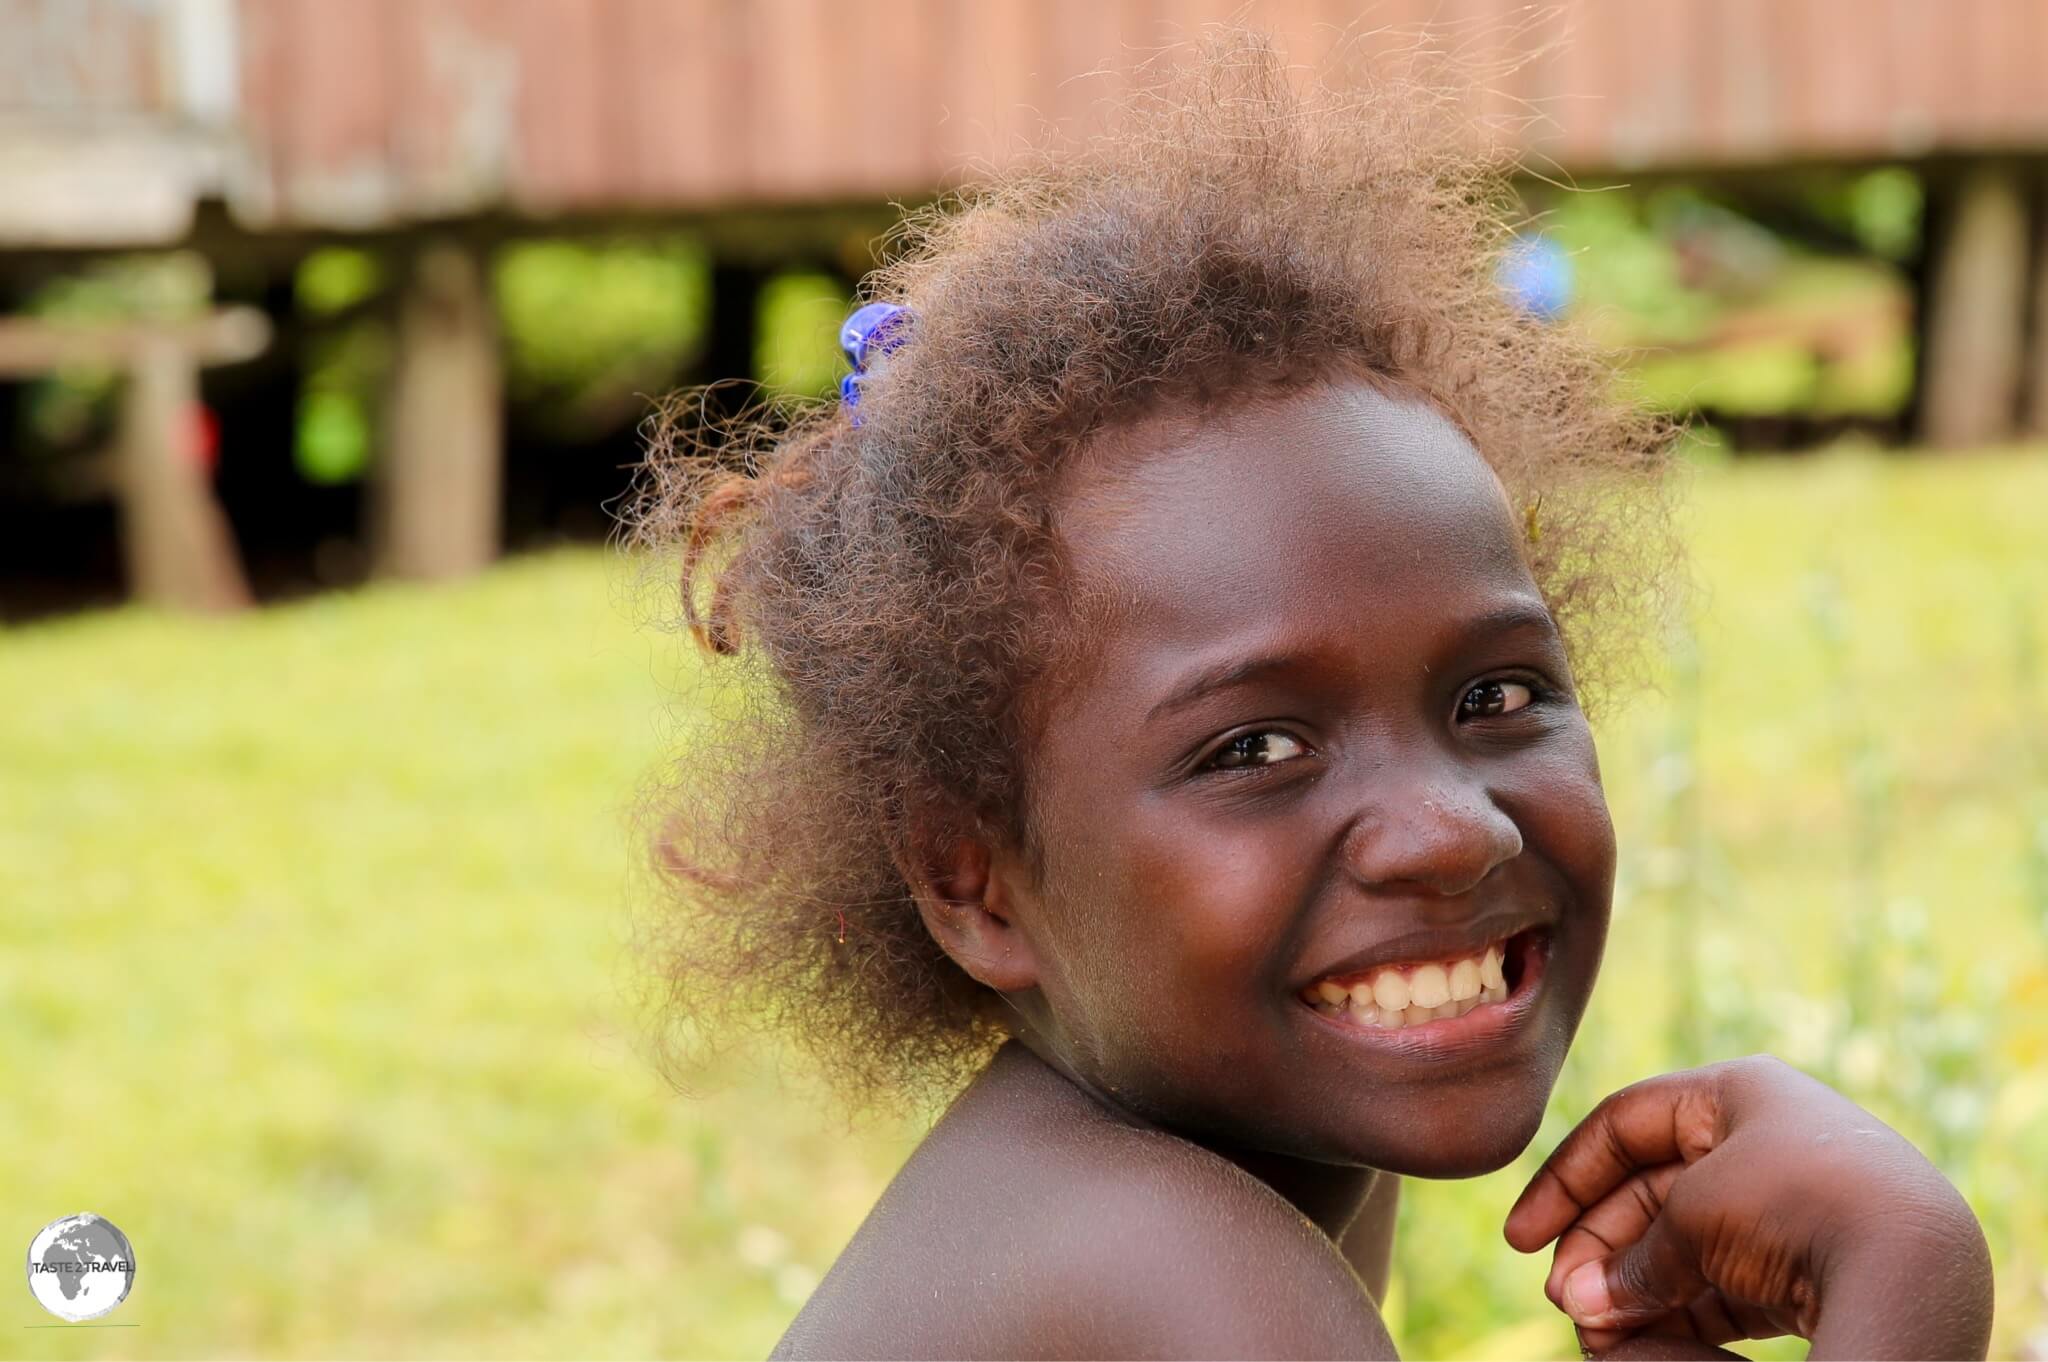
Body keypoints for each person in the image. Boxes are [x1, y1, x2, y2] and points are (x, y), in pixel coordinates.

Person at [629, 34, 1992, 1361]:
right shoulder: (1163, 1267)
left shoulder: (1243, 1155)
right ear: (970, 877)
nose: (1452, 831)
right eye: (1258, 744)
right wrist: (1906, 1275)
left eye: (1495, 692)